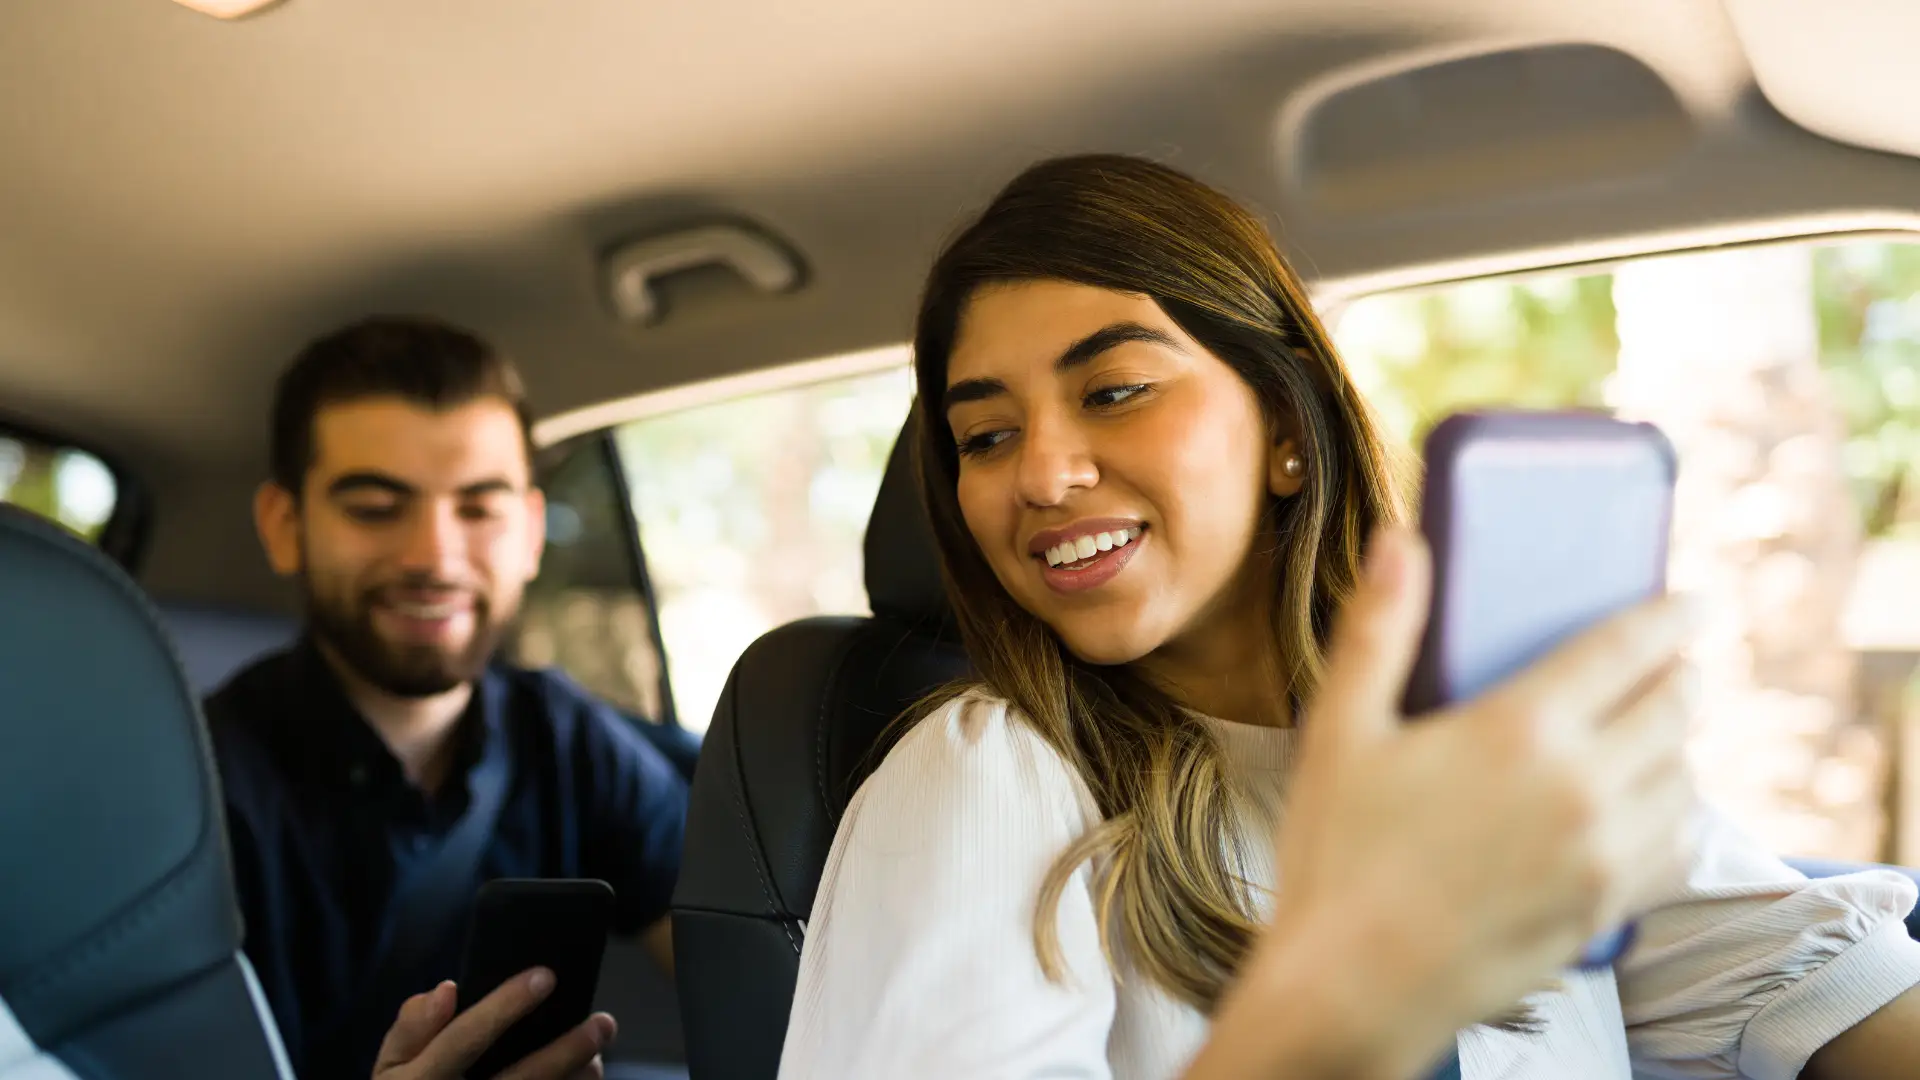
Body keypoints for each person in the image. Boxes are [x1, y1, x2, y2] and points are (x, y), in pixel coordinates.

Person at [777, 154, 1920, 1079]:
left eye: (1113, 391)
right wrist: (1347, 1003)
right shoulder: (989, 780)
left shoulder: (1480, 748)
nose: (1042, 473)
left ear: (1284, 426)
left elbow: (1822, 992)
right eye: (985, 436)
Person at [206, 316, 689, 1079]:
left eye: (479, 508)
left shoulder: (564, 735)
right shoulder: (197, 793)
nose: (435, 556)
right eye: (374, 507)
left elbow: (743, 967)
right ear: (285, 526)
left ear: (529, 532)